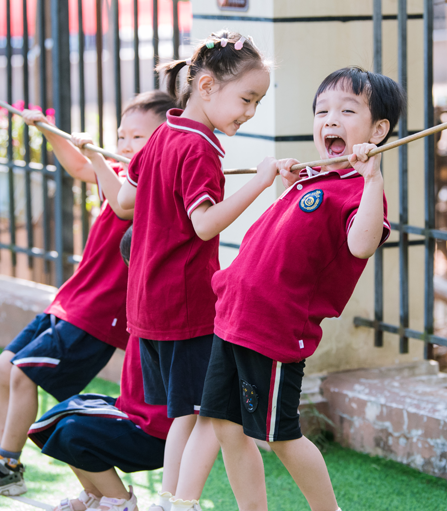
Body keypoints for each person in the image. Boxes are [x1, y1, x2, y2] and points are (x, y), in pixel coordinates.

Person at [199, 66, 406, 511]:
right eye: (323, 110)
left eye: (347, 110)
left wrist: (373, 179)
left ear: (379, 130)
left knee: (280, 435)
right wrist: (289, 186)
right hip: (233, 318)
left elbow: (362, 243)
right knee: (225, 426)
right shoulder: (317, 177)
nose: (330, 119)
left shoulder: (359, 190)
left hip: (272, 329)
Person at [117, 30, 278, 511]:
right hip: (187, 306)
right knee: (208, 413)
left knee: (185, 416)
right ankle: (180, 502)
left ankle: (171, 499)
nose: (249, 112)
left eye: (256, 103)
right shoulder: (200, 148)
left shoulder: (165, 132)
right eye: (246, 99)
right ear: (206, 87)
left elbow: (125, 199)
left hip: (148, 303)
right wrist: (263, 182)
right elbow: (205, 224)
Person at [0, 91, 176, 497]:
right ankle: (3, 455)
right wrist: (49, 133)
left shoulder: (151, 184)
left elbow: (123, 202)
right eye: (122, 136)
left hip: (98, 311)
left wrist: (100, 159)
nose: (126, 146)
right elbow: (80, 166)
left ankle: (9, 464)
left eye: (138, 138)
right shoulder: (121, 171)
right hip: (71, 300)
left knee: (24, 371)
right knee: (7, 365)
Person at [28, 334, 172, 511]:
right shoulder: (141, 316)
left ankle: (121, 502)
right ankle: (95, 495)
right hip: (129, 407)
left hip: (158, 429)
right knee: (54, 421)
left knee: (72, 432)